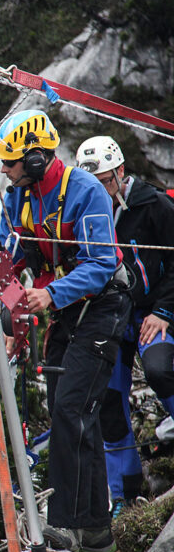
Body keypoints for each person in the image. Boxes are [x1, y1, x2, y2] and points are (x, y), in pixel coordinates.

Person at [0, 110, 131, 552]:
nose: (4, 171)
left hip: (102, 305)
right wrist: (12, 318)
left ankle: (65, 528)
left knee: (72, 409)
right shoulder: (19, 195)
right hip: (66, 310)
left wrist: (48, 297)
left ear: (35, 159)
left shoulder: (86, 192)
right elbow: (9, 260)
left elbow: (100, 264)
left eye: (10, 162)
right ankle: (96, 530)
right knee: (68, 410)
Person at [76, 135, 174, 513]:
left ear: (119, 171)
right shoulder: (88, 211)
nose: (98, 189)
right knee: (107, 399)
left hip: (155, 310)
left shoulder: (156, 206)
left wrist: (163, 311)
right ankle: (126, 490)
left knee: (160, 370)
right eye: (91, 182)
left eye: (104, 180)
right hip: (113, 314)